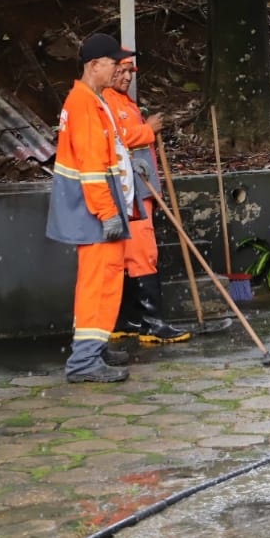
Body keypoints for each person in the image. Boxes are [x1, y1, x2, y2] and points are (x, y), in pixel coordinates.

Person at [45, 33, 137, 382]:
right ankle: (84, 361)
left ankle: (94, 349)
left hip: (94, 208)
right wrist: (108, 211)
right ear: (94, 65)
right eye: (114, 64)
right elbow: (91, 166)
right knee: (99, 283)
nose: (118, 70)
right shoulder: (84, 103)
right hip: (95, 211)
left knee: (102, 280)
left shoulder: (88, 100)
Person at [104, 57, 192, 345]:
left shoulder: (123, 101)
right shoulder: (107, 101)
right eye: (122, 71)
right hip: (132, 192)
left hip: (138, 190)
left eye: (130, 72)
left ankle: (128, 319)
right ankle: (152, 321)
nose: (128, 77)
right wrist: (148, 129)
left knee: (131, 255)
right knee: (142, 253)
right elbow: (115, 139)